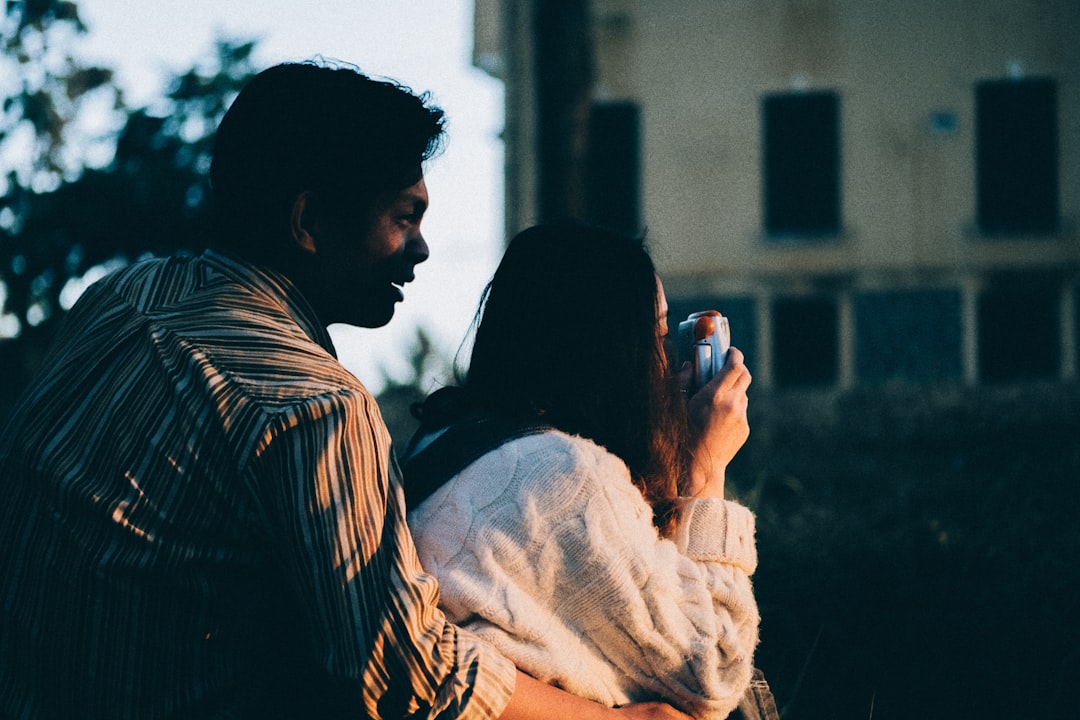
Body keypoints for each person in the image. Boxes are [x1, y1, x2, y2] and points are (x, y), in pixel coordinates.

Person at [0, 62, 690, 720]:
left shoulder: (125, 298)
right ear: (307, 223)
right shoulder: (314, 407)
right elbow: (403, 673)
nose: (421, 249)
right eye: (403, 217)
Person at [402, 221, 774, 720]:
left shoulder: (447, 440)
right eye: (658, 337)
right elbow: (713, 674)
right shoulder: (563, 476)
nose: (665, 363)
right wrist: (706, 470)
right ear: (614, 354)